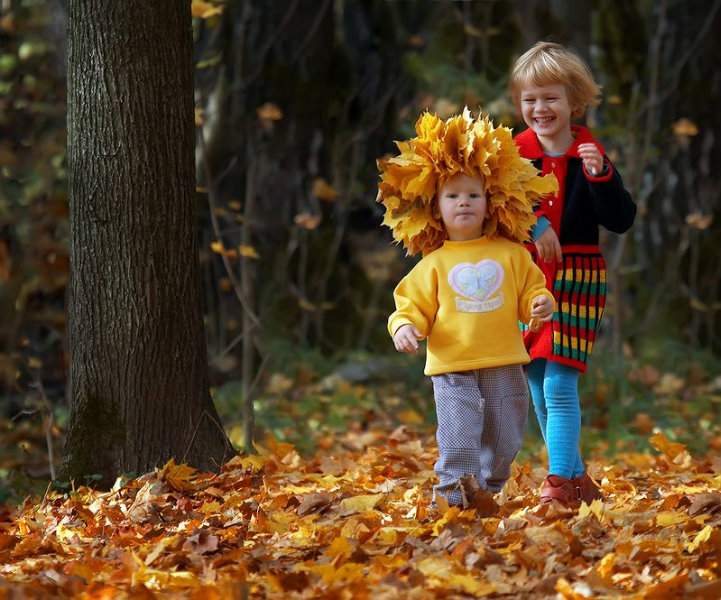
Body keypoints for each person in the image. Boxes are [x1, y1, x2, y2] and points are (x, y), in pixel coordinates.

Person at [377, 108, 557, 506]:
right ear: (436, 207)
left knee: (506, 433)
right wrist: (404, 326)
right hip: (452, 364)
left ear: (489, 203)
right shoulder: (434, 262)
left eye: (473, 195)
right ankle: (452, 500)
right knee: (458, 434)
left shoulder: (510, 252)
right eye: (453, 196)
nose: (464, 203)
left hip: (504, 359)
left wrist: (540, 302)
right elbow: (409, 305)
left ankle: (487, 492)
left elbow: (531, 289)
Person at [508, 41, 637, 508]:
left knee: (561, 383)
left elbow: (620, 219)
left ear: (573, 101)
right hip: (525, 278)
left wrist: (601, 176)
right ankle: (578, 480)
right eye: (530, 100)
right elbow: (495, 209)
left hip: (578, 277)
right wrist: (535, 223)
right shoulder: (511, 158)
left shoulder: (591, 155)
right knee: (538, 386)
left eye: (551, 98)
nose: (540, 109)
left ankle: (558, 486)